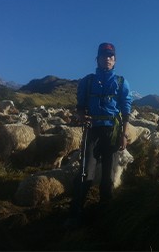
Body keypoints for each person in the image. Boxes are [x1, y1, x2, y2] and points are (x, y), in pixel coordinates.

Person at [66, 42, 132, 226]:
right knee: (86, 171)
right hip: (92, 129)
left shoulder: (121, 82)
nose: (107, 59)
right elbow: (80, 104)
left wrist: (124, 135)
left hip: (112, 131)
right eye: (104, 56)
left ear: (115, 60)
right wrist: (80, 114)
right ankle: (76, 213)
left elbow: (126, 110)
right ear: (98, 59)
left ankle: (105, 212)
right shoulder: (88, 81)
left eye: (111, 56)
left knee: (109, 174)